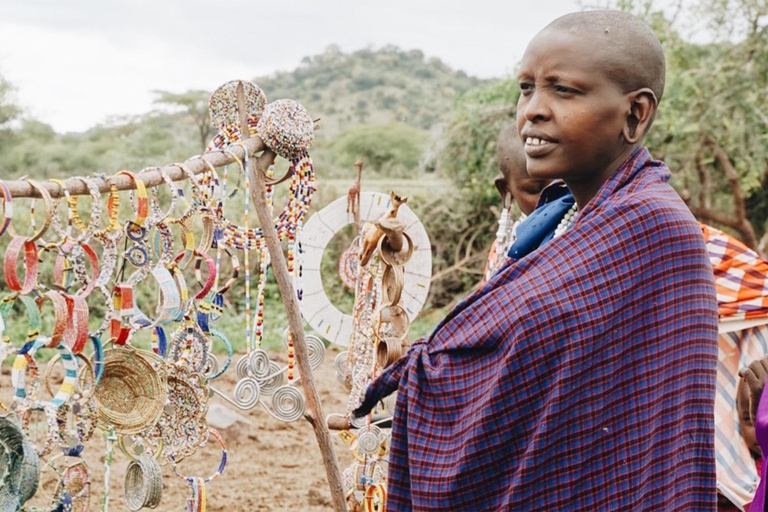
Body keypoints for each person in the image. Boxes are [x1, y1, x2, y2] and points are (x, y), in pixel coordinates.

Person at [355, 9, 718, 511]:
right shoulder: (565, 218)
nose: (532, 111)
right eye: (526, 89)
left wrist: (431, 369)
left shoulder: (650, 228)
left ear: (636, 114)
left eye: (563, 90)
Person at [485, 125, 551, 280]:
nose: (554, 194)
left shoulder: (582, 238)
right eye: (535, 189)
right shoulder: (501, 251)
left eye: (564, 184)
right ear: (505, 190)